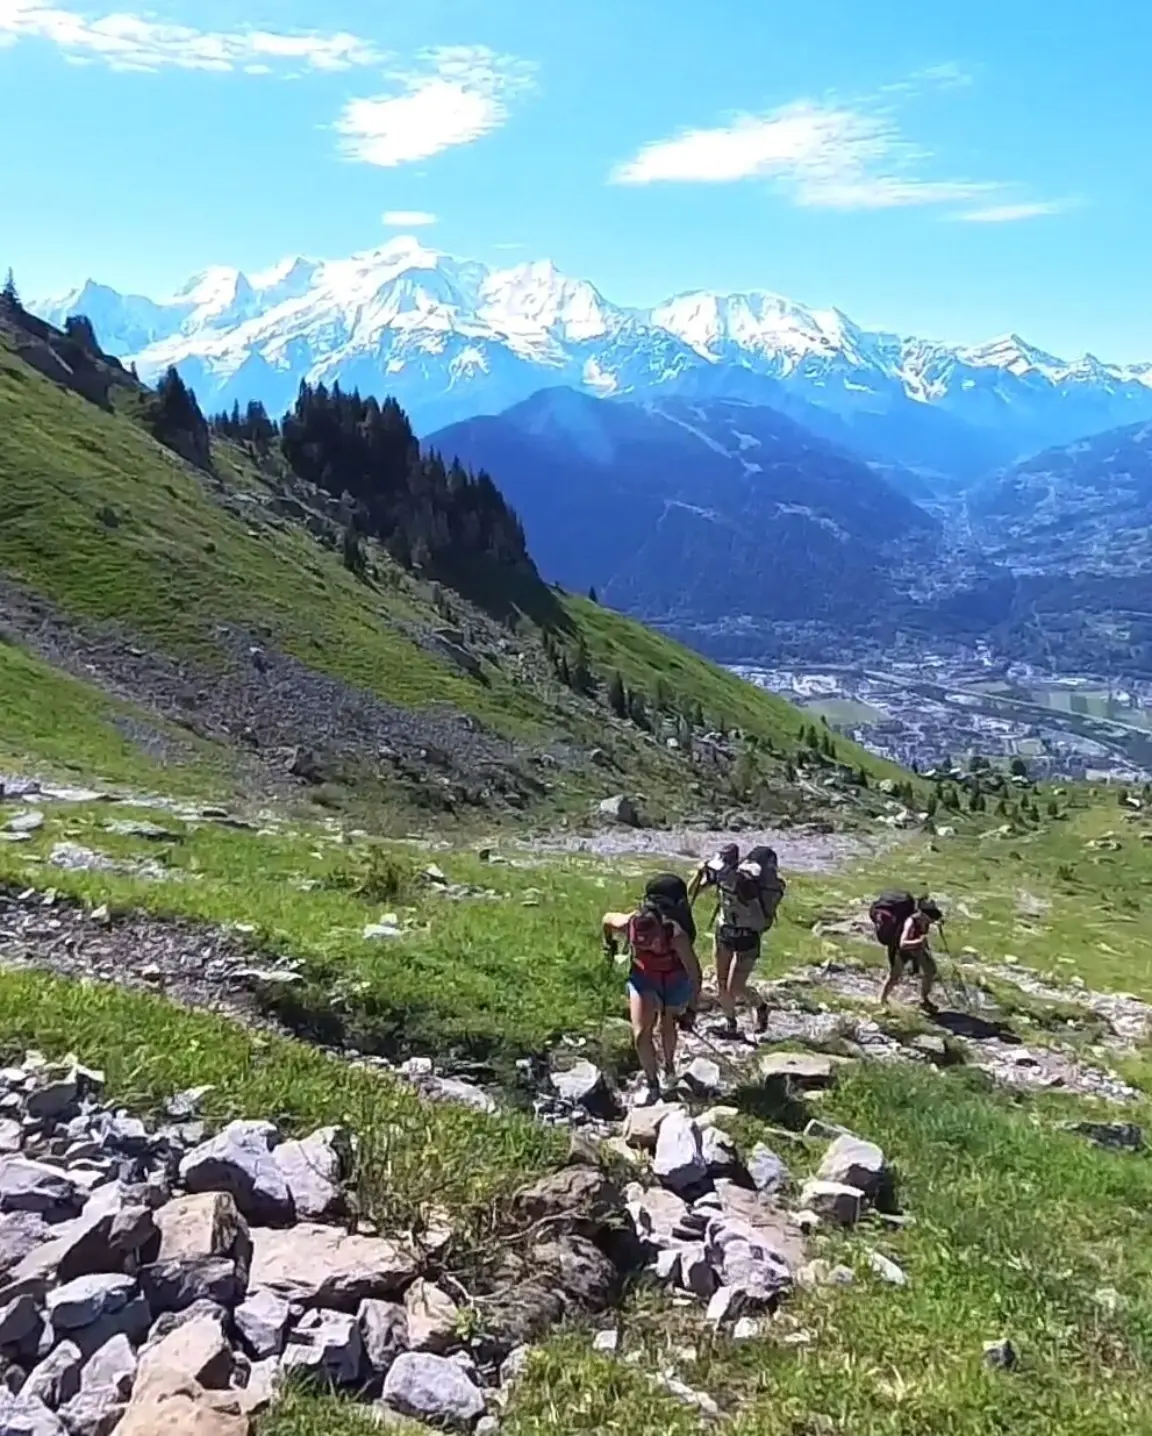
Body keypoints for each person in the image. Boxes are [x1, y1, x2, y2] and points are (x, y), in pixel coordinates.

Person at [602, 874, 702, 1104]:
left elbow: (695, 974)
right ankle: (653, 1083)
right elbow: (607, 920)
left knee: (667, 1024)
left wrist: (691, 1009)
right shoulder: (633, 922)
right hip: (643, 977)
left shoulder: (676, 934)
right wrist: (609, 946)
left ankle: (669, 1066)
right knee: (641, 1034)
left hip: (675, 980)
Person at [874, 893, 943, 1011]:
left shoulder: (924, 922)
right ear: (923, 914)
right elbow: (903, 944)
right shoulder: (910, 922)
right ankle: (882, 1000)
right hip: (901, 951)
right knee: (894, 977)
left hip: (917, 949)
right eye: (931, 918)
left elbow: (922, 936)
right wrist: (919, 942)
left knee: (930, 970)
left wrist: (923, 946)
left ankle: (924, 1000)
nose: (932, 921)